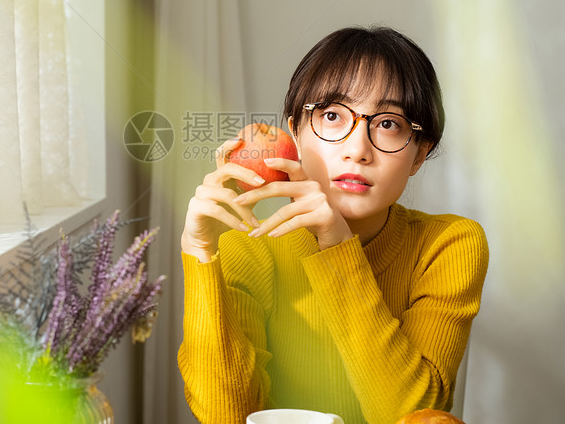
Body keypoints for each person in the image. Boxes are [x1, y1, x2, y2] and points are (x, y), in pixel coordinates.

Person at [178, 26, 489, 424]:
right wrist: (200, 254)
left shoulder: (449, 245)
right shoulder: (249, 242)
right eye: (331, 116)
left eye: (389, 123)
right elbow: (228, 415)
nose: (357, 150)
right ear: (295, 131)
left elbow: (414, 414)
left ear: (419, 155)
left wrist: (339, 249)